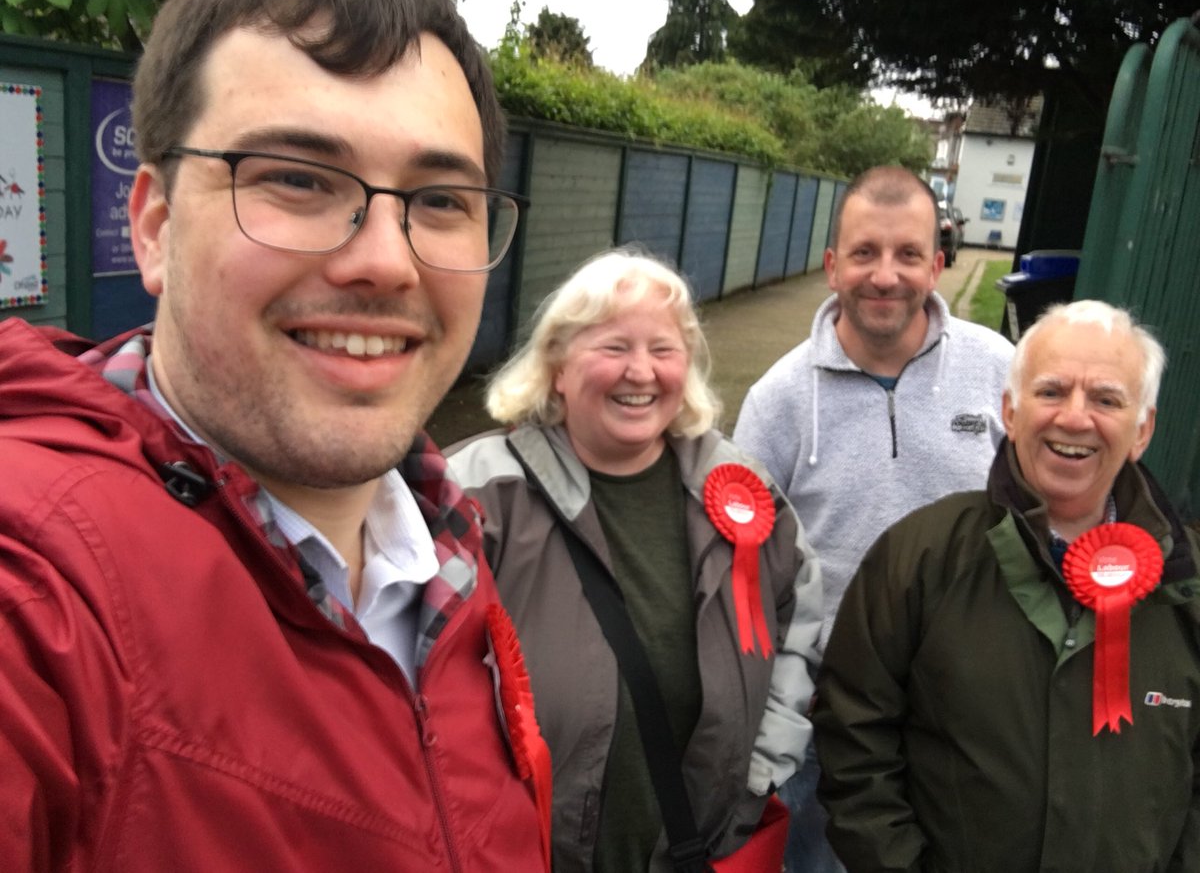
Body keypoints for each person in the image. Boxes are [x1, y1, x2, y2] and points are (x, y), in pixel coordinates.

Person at [0, 0, 548, 870]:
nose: (387, 262)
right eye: (296, 179)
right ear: (155, 226)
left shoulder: (447, 543)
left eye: (441, 200)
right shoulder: (39, 595)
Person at [447, 248, 823, 872]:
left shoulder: (739, 489)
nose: (641, 371)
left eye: (663, 349)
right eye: (614, 347)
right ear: (557, 367)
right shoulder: (475, 493)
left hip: (698, 848)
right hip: (515, 853)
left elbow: (799, 626)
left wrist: (757, 777)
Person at [814, 300, 1200, 873]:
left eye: (1106, 399)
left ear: (1142, 430)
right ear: (1010, 412)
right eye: (1051, 391)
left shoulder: (1187, 583)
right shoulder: (921, 557)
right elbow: (853, 743)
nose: (1075, 417)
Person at [733, 165, 1015, 872]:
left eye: (907, 254)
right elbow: (740, 568)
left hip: (967, 711)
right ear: (832, 266)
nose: (885, 276)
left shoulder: (999, 374)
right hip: (826, 721)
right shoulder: (778, 402)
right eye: (864, 253)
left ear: (938, 266)